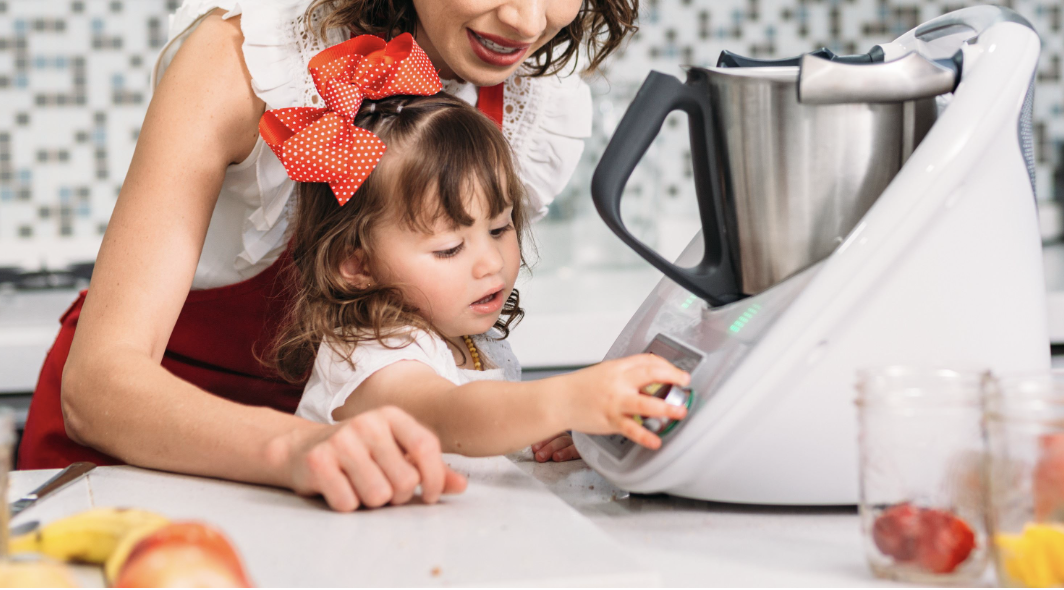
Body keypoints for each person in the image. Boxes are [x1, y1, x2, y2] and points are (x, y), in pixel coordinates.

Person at [17, 0, 637, 512]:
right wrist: (300, 447)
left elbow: (430, 373)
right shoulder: (245, 62)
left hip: (346, 483)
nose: (528, 21)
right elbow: (98, 388)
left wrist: (535, 419)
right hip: (132, 462)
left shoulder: (532, 100)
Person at [265, 35, 690, 463]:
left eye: (500, 227)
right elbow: (450, 418)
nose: (491, 263)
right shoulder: (370, 354)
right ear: (357, 265)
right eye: (450, 249)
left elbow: (490, 432)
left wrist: (558, 427)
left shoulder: (466, 336)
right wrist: (567, 399)